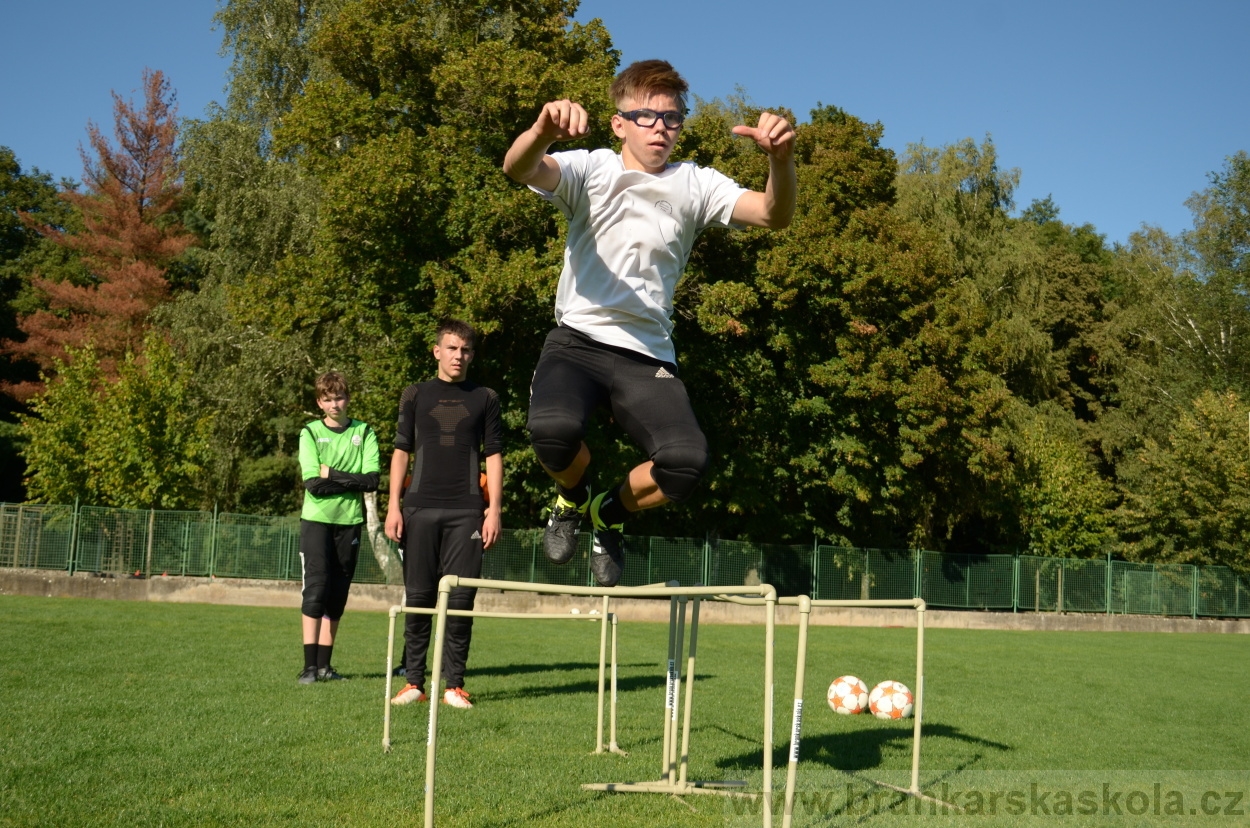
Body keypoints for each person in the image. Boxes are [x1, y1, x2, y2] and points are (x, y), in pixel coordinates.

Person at [502, 59, 796, 587]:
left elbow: (774, 214)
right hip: (578, 341)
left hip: (646, 355)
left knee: (686, 463)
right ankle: (571, 497)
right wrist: (541, 131)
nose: (661, 127)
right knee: (552, 431)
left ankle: (607, 514)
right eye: (646, 116)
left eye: (673, 118)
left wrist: (781, 160)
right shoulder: (590, 170)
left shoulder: (696, 183)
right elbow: (519, 168)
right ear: (619, 123)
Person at [387, 319, 503, 709]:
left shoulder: (485, 397)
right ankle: (414, 683)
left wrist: (494, 510)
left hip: (468, 511)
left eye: (466, 350)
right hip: (418, 507)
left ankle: (454, 685)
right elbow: (402, 451)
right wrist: (393, 507)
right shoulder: (415, 394)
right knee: (418, 597)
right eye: (452, 348)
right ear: (437, 351)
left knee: (461, 601)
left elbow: (494, 455)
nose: (459, 356)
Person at [297, 370, 380, 684]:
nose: (335, 404)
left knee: (337, 594)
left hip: (350, 523)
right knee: (315, 590)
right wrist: (349, 481)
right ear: (320, 402)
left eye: (340, 397)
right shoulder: (310, 433)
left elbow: (371, 482)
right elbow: (313, 485)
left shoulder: (364, 432)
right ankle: (308, 668)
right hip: (316, 521)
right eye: (328, 399)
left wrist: (330, 472)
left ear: (348, 398)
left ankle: (325, 667)